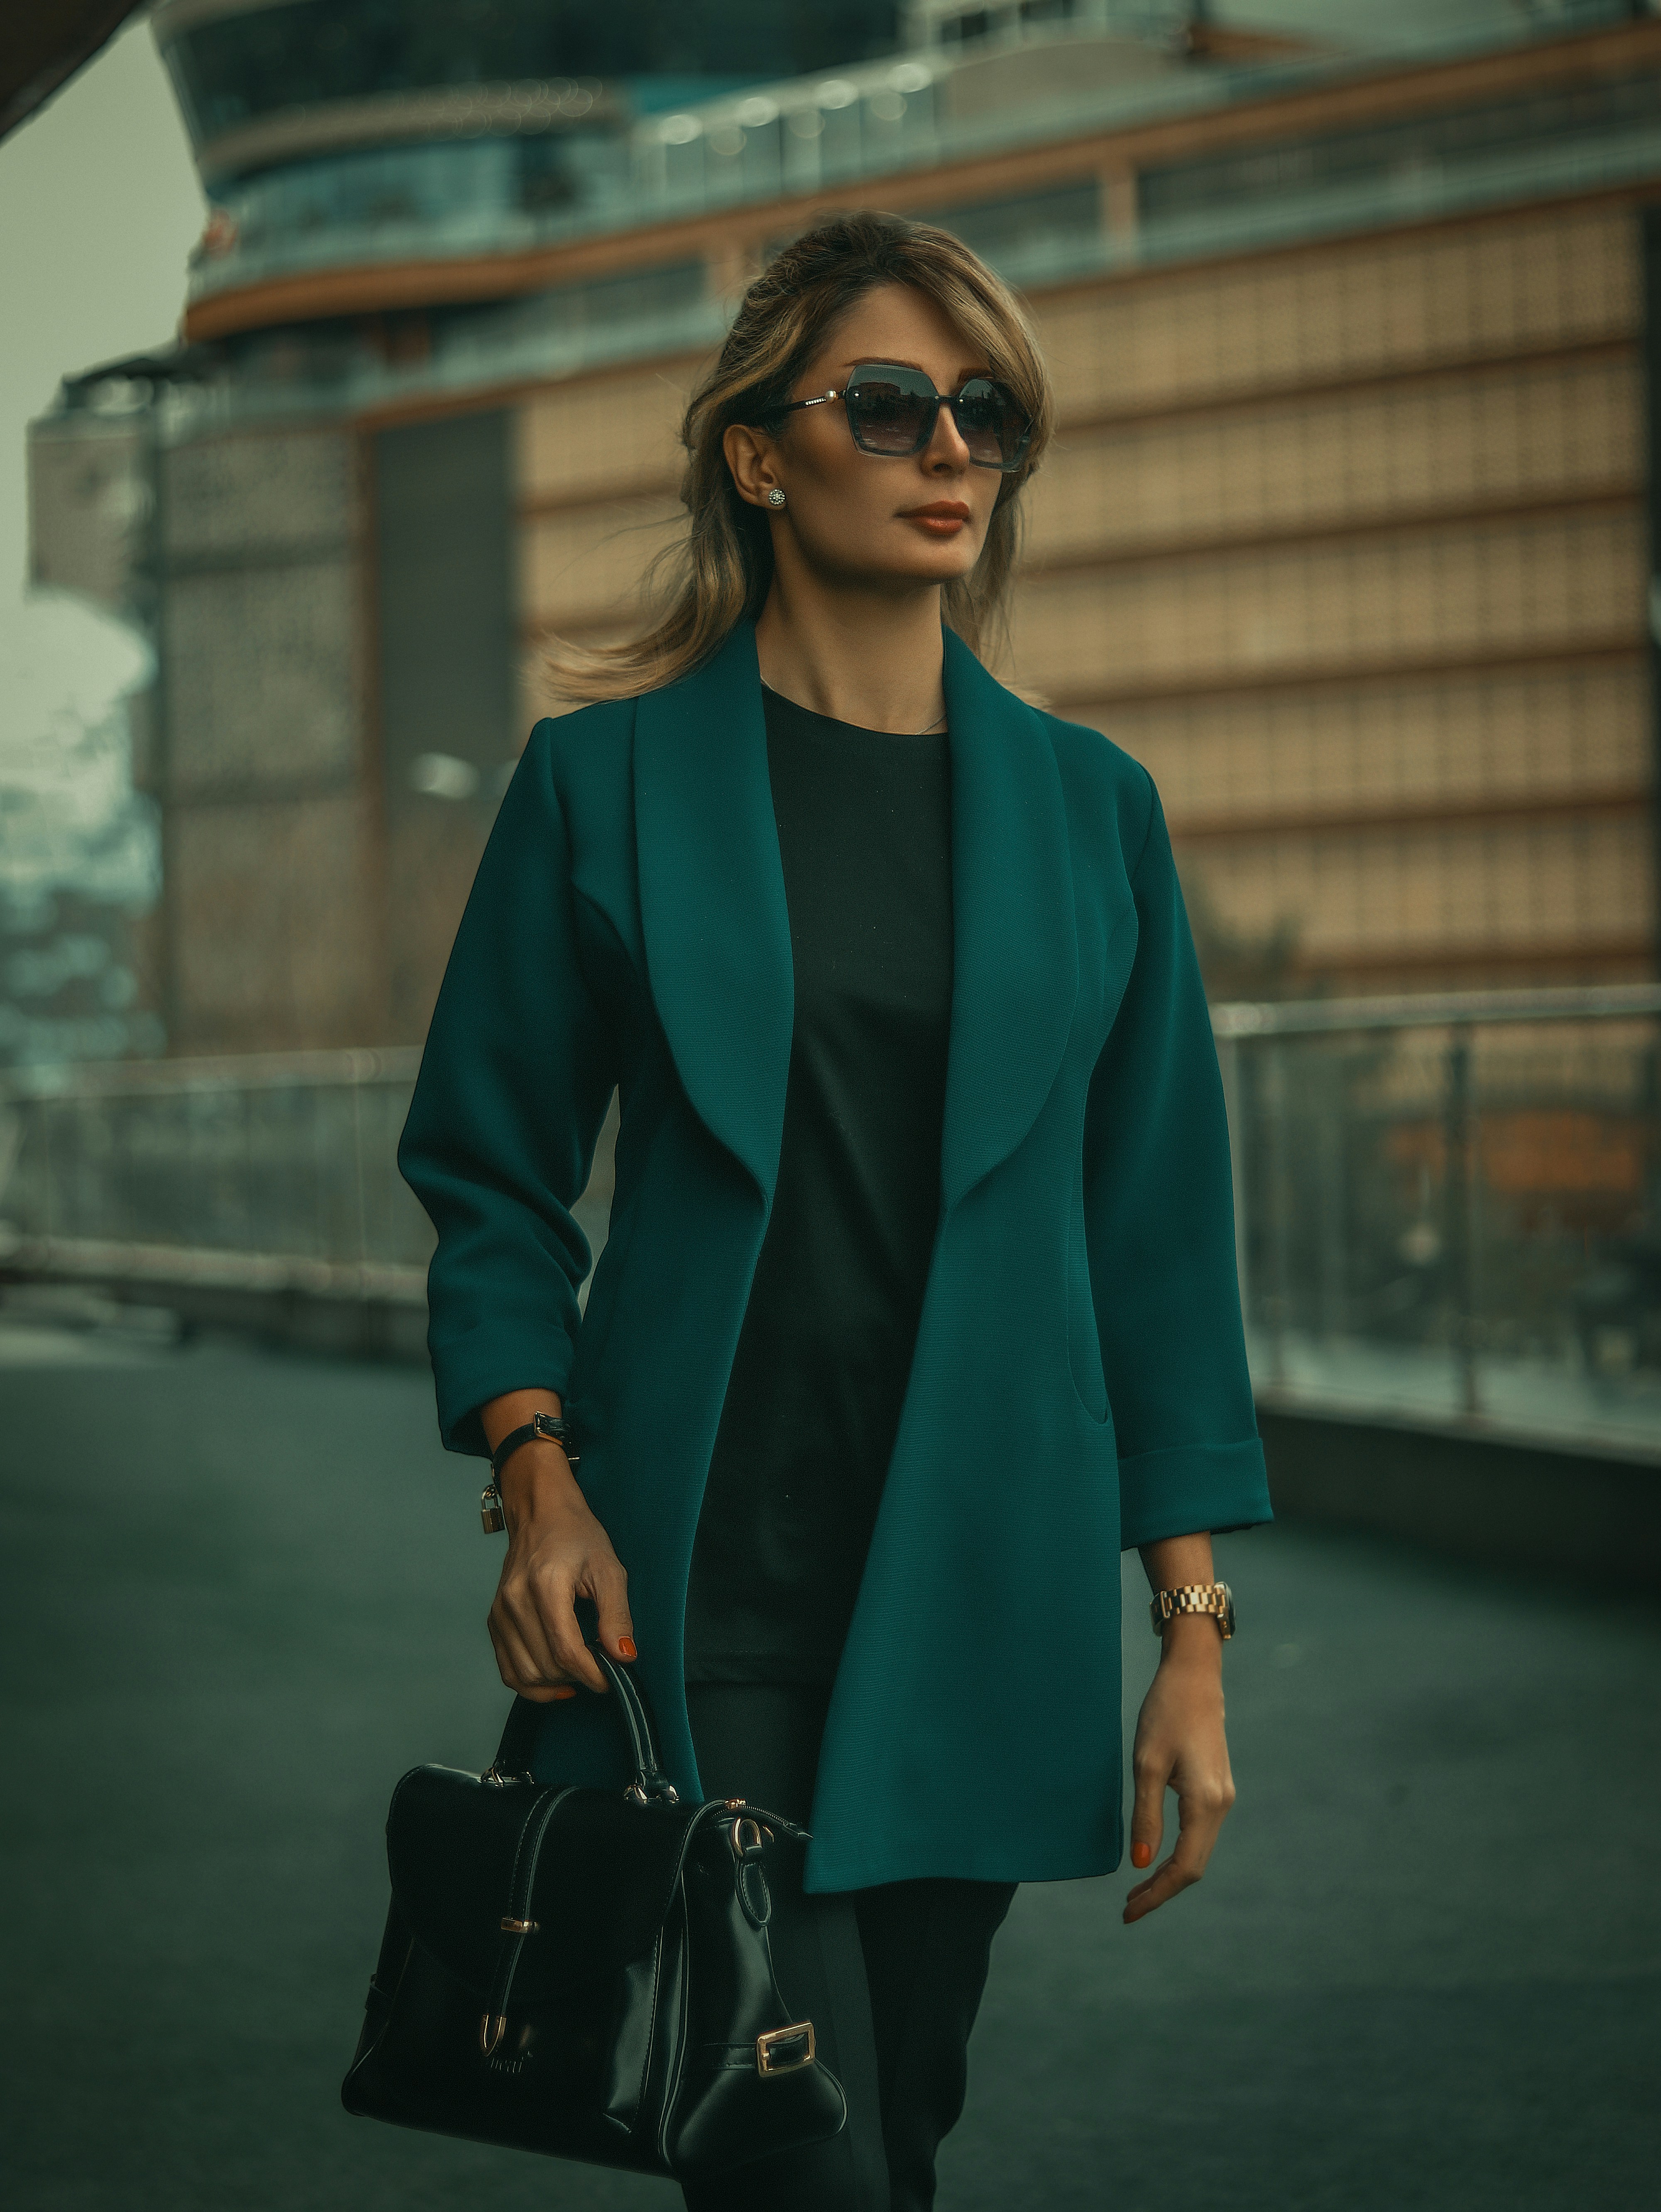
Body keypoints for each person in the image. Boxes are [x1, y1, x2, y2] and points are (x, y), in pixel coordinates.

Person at [397, 210, 1271, 2212]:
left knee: (903, 2126)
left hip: (980, 1574)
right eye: (891, 404)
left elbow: (1154, 1239)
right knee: (793, 2149)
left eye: (986, 413)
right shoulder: (598, 787)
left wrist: (1193, 1636)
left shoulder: (1091, 812)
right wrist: (536, 1478)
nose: (949, 447)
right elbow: (486, 1167)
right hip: (703, 1590)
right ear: (759, 450)